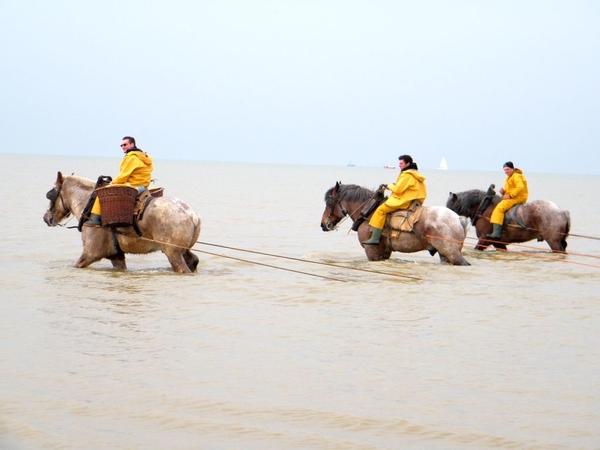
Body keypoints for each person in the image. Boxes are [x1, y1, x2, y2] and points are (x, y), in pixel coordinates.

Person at [85, 136, 154, 226]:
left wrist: (113, 182)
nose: (123, 147)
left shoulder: (132, 157)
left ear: (132, 144)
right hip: (143, 185)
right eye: (121, 145)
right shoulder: (143, 156)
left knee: (103, 191)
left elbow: (123, 176)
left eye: (125, 144)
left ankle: (96, 219)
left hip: (134, 185)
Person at [362, 154, 427, 245]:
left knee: (380, 210)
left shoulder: (406, 174)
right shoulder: (415, 174)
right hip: (412, 199)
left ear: (408, 163)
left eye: (401, 163)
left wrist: (388, 186)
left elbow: (398, 189)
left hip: (404, 200)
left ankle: (375, 238)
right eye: (399, 163)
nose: (399, 165)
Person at [486, 161, 528, 239]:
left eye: (507, 169)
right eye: (504, 170)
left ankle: (496, 233)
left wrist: (510, 195)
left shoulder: (516, 176)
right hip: (514, 196)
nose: (506, 171)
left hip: (518, 197)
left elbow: (520, 187)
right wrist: (504, 192)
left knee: (499, 209)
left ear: (512, 168)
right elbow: (512, 189)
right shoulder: (509, 177)